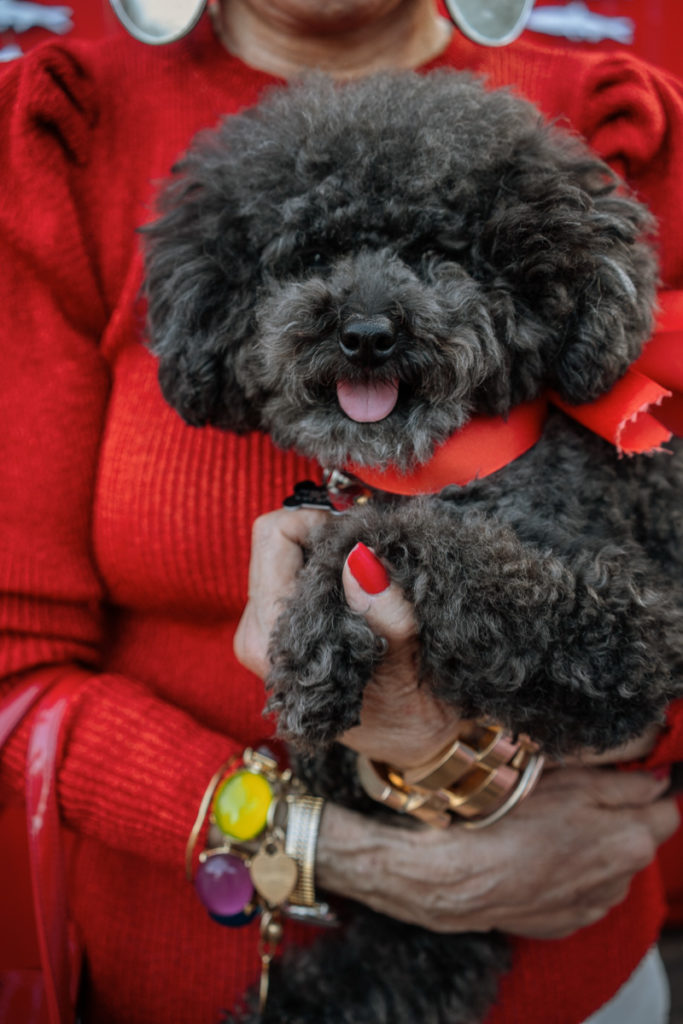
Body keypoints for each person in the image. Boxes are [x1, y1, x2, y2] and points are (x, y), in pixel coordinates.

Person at [0, 1, 682, 1021]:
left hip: (570, 964)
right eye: (312, 265)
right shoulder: (65, 132)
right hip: (165, 975)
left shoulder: (610, 121)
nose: (366, 320)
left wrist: (496, 773)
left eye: (436, 265)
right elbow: (14, 659)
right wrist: (348, 847)